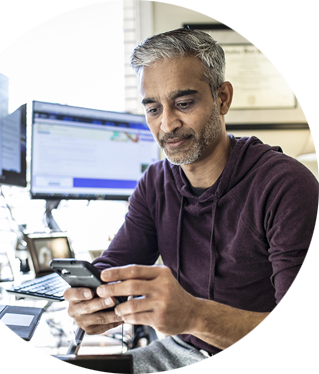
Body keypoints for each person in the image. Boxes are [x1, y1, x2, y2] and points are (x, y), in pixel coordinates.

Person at [64, 28, 319, 374]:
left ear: (222, 98)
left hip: (258, 366)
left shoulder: (285, 185)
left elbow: (311, 338)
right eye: (153, 108)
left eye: (184, 104)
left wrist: (195, 315)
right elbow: (114, 270)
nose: (167, 124)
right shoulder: (155, 183)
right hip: (177, 352)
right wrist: (91, 299)